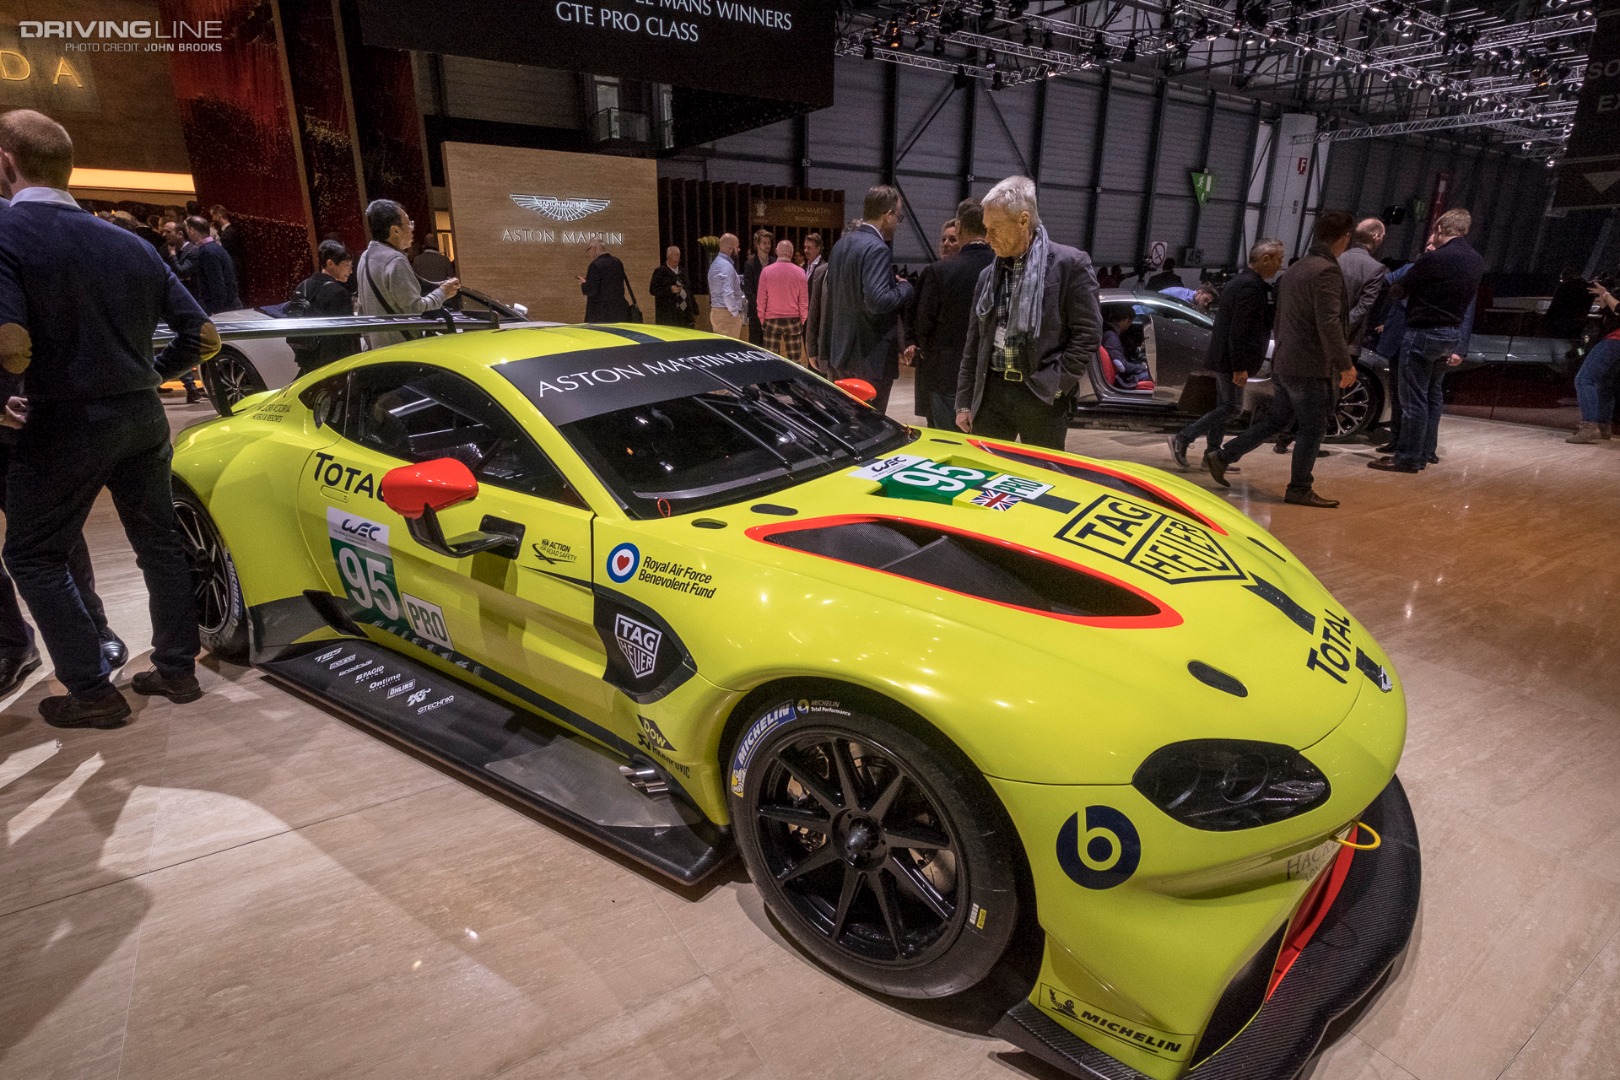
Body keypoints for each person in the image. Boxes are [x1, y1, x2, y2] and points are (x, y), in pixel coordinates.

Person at [0, 108, 218, 727]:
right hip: (142, 415)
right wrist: (152, 373)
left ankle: (93, 691)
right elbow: (203, 334)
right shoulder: (129, 242)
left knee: (34, 555)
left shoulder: (8, 235)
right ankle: (177, 669)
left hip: (63, 420)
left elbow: (11, 342)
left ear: (6, 163)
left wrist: (6, 395)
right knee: (158, 543)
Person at [1204, 211, 1357, 508]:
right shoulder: (1326, 271)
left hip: (1286, 362)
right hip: (1310, 366)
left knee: (1278, 419)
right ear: (1344, 238)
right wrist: (1344, 364)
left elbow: (1281, 320)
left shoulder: (1295, 270)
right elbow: (1329, 323)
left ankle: (1222, 456)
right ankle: (1300, 488)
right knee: (1313, 428)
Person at [954, 176, 1103, 449]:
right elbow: (974, 342)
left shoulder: (1069, 264)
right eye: (986, 229)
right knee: (989, 476)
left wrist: (1057, 384)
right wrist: (964, 401)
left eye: (994, 229)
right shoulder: (988, 276)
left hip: (1041, 395)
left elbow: (1088, 333)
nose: (987, 239)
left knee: (1042, 479)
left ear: (1023, 220)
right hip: (992, 395)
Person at [1370, 208, 1484, 473]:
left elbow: (1400, 288)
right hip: (1450, 335)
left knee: (1413, 400)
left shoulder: (1433, 259)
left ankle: (1408, 457)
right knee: (1432, 395)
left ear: (1441, 229)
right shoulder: (1476, 260)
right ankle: (1423, 452)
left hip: (1423, 333)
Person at [1169, 239, 1283, 466]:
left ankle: (1211, 454)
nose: (1280, 264)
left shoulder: (1242, 282)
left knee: (1223, 406)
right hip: (1231, 360)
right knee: (1232, 408)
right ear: (1265, 259)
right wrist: (1240, 366)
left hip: (1224, 358)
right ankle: (1183, 437)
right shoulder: (1250, 287)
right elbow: (1240, 330)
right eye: (1278, 259)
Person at [818, 186, 914, 413]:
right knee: (871, 428)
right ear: (887, 214)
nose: (897, 223)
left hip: (840, 354)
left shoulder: (841, 245)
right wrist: (904, 287)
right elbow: (877, 301)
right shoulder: (877, 248)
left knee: (844, 424)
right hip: (870, 359)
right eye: (898, 217)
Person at [915, 201, 995, 430]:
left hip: (946, 375)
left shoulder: (939, 271)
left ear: (959, 228)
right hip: (992, 377)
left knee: (946, 441)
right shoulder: (1004, 268)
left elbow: (923, 327)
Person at [356, 199, 459, 351]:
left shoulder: (365, 257)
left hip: (377, 349)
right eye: (408, 224)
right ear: (395, 230)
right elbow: (416, 308)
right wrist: (442, 293)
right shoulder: (395, 260)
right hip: (402, 348)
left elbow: (362, 310)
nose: (412, 229)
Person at [288, 239, 359, 373]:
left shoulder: (302, 286)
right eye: (347, 265)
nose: (350, 271)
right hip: (332, 365)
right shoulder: (339, 293)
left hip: (305, 358)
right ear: (330, 264)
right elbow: (348, 338)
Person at [1567, 278, 1620, 443]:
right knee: (1605, 383)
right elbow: (1611, 314)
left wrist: (1605, 293)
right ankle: (1604, 426)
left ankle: (1590, 426)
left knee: (1584, 379)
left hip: (1615, 339)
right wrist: (1604, 297)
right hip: (1615, 338)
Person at [757, 239, 809, 363]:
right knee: (795, 361)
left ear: (776, 251)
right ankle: (794, 382)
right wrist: (803, 319)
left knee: (770, 360)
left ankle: (771, 382)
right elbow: (803, 300)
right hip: (793, 319)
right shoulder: (800, 272)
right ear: (791, 253)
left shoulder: (766, 271)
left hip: (771, 319)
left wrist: (762, 318)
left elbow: (761, 299)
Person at [182, 214, 240, 315]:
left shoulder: (207, 251)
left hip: (223, 310)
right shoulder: (213, 247)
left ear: (192, 230)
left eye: (186, 229)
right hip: (228, 306)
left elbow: (217, 284)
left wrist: (215, 311)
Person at [578, 238, 631, 323]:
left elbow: (591, 290)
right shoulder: (617, 262)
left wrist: (584, 283)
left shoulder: (595, 265)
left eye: (589, 250)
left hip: (599, 314)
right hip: (618, 312)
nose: (589, 254)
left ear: (594, 248)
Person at [706, 233, 747, 340]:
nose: (739, 250)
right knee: (729, 350)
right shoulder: (726, 266)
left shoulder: (715, 264)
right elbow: (727, 294)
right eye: (737, 247)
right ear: (730, 248)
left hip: (717, 312)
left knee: (721, 348)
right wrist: (735, 313)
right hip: (727, 315)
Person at [1100, 309, 1152, 388]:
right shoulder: (1111, 337)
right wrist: (1143, 367)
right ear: (1126, 320)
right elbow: (1121, 366)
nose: (1128, 327)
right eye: (1130, 323)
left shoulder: (1108, 332)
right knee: (1154, 376)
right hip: (1121, 380)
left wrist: (1140, 349)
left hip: (1120, 375)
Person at [1541, 266, 1593, 339]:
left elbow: (1555, 306)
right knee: (1575, 342)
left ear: (1566, 277)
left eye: (1562, 280)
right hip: (1580, 322)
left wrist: (1544, 320)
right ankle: (1579, 350)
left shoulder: (1564, 287)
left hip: (1563, 322)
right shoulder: (1588, 287)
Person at [743, 228, 774, 345]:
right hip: (756, 312)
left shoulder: (774, 262)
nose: (768, 246)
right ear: (757, 244)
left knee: (771, 346)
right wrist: (760, 307)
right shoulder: (750, 264)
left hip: (772, 313)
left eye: (769, 243)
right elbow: (748, 290)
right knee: (755, 345)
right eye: (764, 243)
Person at [650, 245, 694, 327]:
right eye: (673, 261)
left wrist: (693, 310)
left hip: (684, 314)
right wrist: (670, 289)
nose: (675, 263)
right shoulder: (660, 271)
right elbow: (653, 290)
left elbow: (689, 290)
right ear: (668, 258)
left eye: (677, 260)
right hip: (668, 315)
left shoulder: (683, 272)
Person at [209, 204, 243, 291]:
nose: (212, 218)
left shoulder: (229, 232)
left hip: (232, 266)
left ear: (219, 216)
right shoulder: (225, 231)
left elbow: (221, 249)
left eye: (213, 215)